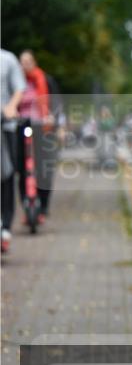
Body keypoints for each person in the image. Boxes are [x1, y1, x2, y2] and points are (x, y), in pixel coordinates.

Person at [17, 50, 61, 223]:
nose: (25, 65)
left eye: (28, 61)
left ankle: (43, 206)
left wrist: (53, 119)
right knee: (22, 167)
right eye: (22, 62)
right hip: (21, 126)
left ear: (34, 62)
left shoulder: (45, 80)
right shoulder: (17, 81)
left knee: (44, 167)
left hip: (43, 127)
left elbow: (56, 103)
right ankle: (26, 205)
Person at [1, 48, 26, 254]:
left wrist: (11, 107)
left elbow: (19, 89)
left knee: (7, 173)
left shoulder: (7, 59)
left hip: (5, 125)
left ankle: (6, 227)